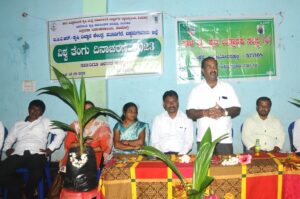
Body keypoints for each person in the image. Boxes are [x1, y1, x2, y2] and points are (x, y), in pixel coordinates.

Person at [0, 99, 66, 199]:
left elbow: (61, 133)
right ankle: (19, 191)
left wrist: (50, 149)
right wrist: (7, 148)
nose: (35, 112)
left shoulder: (45, 121)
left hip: (37, 152)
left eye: (38, 110)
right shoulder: (18, 124)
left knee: (37, 173)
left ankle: (28, 192)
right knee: (2, 172)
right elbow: (9, 139)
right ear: (28, 109)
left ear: (42, 112)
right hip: (18, 152)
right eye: (33, 109)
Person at [186, 57, 241, 155]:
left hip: (224, 139)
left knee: (225, 167)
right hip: (204, 139)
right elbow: (189, 112)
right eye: (209, 67)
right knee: (205, 169)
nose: (213, 69)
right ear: (203, 70)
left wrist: (223, 112)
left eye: (215, 66)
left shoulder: (227, 88)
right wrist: (205, 112)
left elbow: (237, 109)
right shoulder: (196, 90)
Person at [61, 100, 113, 169]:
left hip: (93, 158)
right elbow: (68, 145)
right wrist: (81, 145)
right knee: (70, 172)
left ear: (94, 112)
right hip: (75, 157)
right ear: (81, 112)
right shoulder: (75, 125)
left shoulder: (102, 126)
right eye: (85, 110)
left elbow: (104, 148)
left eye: (90, 110)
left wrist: (87, 149)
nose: (88, 112)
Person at [151, 90, 193, 154]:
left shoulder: (187, 119)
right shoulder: (158, 119)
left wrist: (180, 155)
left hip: (180, 155)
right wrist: (162, 156)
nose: (171, 104)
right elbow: (155, 142)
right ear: (164, 104)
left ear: (178, 102)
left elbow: (188, 142)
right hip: (162, 155)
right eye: (168, 102)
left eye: (174, 101)